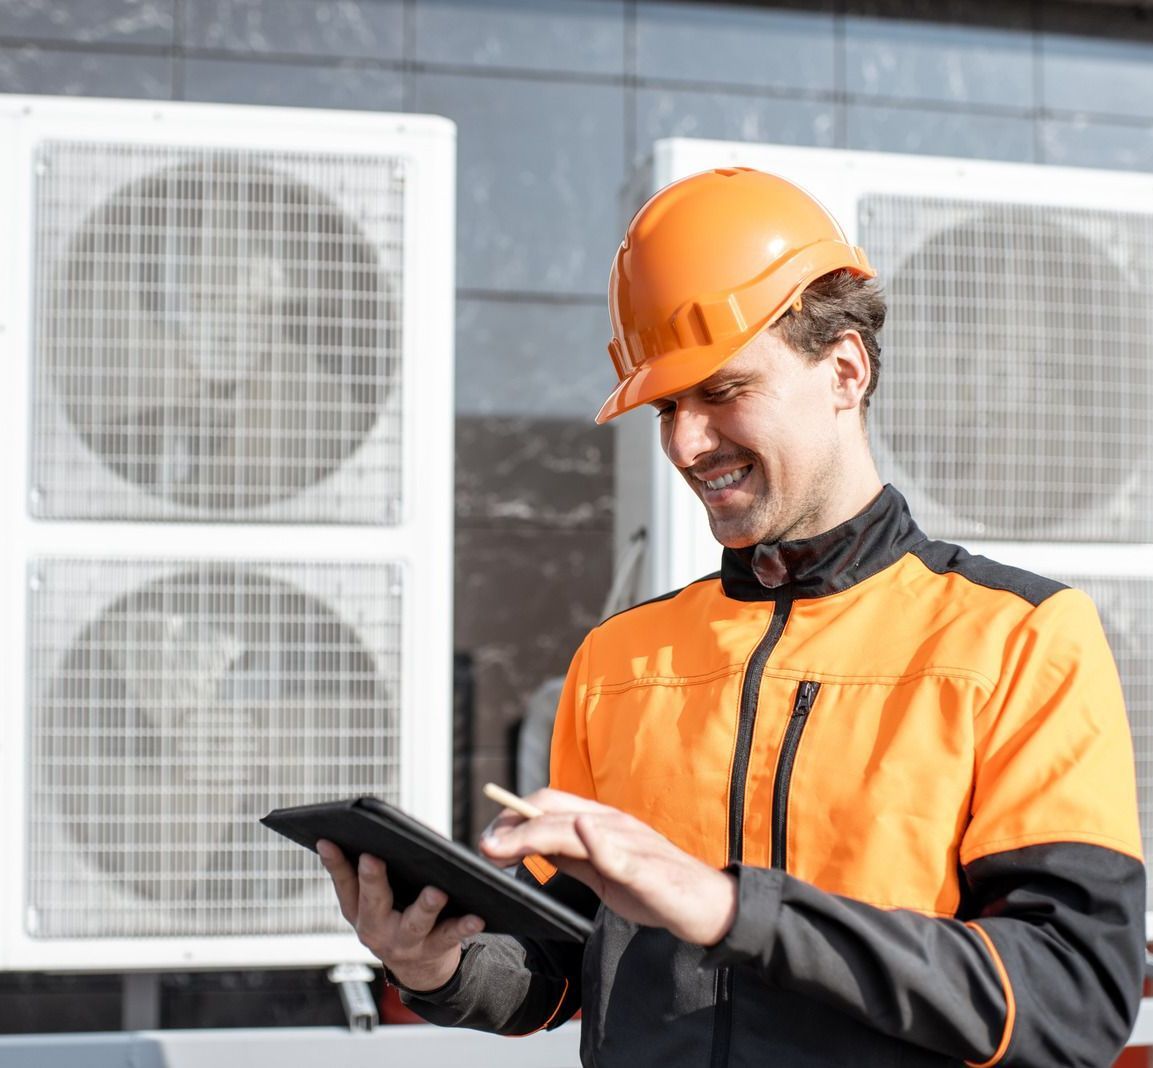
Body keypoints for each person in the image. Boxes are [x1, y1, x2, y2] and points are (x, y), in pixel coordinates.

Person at [318, 167, 1146, 1066]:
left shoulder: (1018, 637)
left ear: (843, 369)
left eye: (720, 392)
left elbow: (1069, 996)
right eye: (667, 406)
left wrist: (727, 909)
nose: (684, 442)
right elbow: (567, 961)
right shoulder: (621, 657)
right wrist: (441, 965)